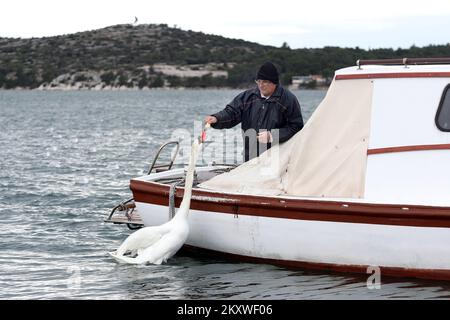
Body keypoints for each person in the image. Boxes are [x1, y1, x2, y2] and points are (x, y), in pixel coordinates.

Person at [204, 61, 304, 162]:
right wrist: (217, 118)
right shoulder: (247, 97)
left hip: (277, 158)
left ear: (274, 82)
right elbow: (231, 113)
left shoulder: (288, 100)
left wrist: (272, 136)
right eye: (258, 81)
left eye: (265, 81)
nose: (261, 85)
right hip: (250, 157)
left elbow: (296, 127)